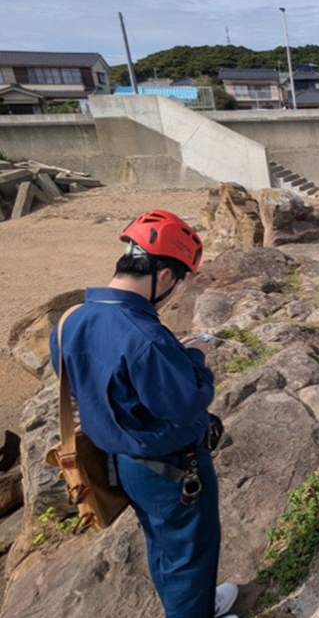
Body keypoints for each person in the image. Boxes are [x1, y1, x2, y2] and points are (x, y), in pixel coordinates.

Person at [49, 210, 237, 618]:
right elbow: (185, 404)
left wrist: (168, 360)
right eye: (179, 281)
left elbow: (85, 382)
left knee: (162, 545)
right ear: (165, 276)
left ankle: (194, 606)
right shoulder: (146, 338)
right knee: (190, 553)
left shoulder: (69, 321)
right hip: (171, 468)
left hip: (122, 463)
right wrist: (193, 358)